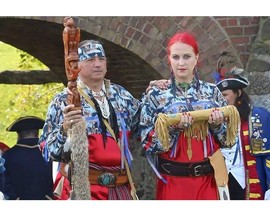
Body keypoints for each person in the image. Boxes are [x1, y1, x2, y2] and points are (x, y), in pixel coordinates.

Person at [140, 31, 238, 200]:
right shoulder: (156, 95)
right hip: (172, 182)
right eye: (176, 57)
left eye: (187, 56)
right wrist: (174, 129)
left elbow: (229, 141)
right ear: (169, 59)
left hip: (208, 181)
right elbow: (148, 145)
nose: (181, 63)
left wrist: (217, 125)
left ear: (196, 58)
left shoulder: (212, 92)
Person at [39, 39, 141, 200]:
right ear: (77, 65)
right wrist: (64, 130)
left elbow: (145, 125)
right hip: (83, 188)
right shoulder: (64, 100)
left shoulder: (121, 96)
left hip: (120, 188)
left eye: (101, 59)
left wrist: (156, 91)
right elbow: (48, 151)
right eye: (90, 60)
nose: (98, 64)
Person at [215, 67, 270, 200]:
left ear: (238, 93)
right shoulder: (215, 119)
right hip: (221, 181)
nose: (221, 99)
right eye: (219, 96)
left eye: (225, 95)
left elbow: (268, 156)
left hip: (247, 179)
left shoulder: (258, 116)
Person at [2, 116, 54, 200]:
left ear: (19, 135)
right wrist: (49, 198)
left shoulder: (8, 156)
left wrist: (15, 199)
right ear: (37, 133)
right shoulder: (51, 154)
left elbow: (4, 184)